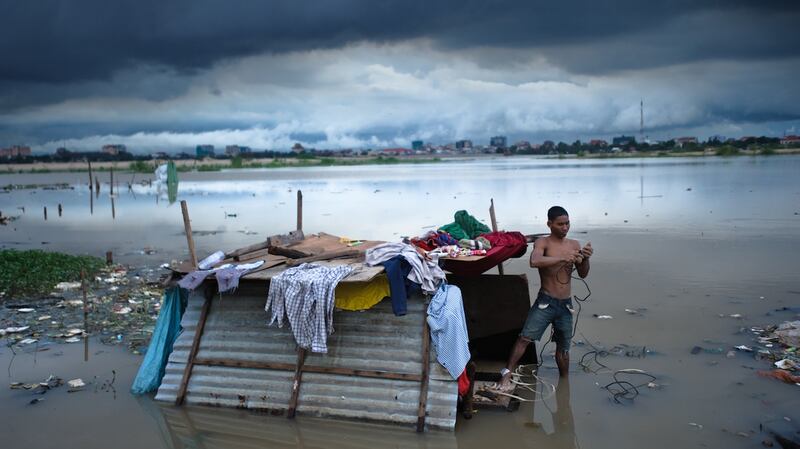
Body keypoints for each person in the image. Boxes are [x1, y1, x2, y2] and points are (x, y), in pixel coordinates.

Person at [498, 206, 593, 388]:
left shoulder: (574, 245)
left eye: (567, 223)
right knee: (524, 338)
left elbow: (583, 274)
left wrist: (586, 259)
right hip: (545, 302)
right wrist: (563, 258)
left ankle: (564, 386)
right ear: (549, 224)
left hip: (566, 305)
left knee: (563, 348)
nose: (565, 227)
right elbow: (535, 261)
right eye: (560, 224)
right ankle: (506, 374)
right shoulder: (543, 242)